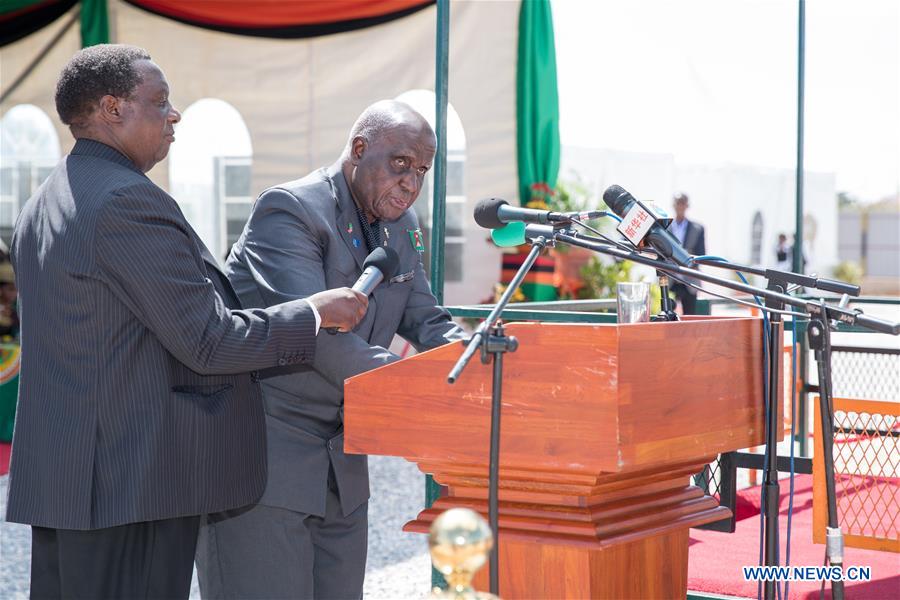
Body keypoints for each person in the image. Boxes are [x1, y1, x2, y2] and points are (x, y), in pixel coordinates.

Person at [6, 44, 368, 599]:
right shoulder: (127, 202)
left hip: (73, 479)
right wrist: (312, 314)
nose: (174, 115)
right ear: (112, 108)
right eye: (160, 102)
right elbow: (208, 340)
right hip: (133, 484)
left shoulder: (46, 201)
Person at [196, 100, 466, 599]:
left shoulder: (402, 228)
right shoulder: (289, 210)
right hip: (264, 461)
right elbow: (316, 337)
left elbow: (427, 320)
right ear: (359, 149)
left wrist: (478, 360)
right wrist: (420, 394)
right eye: (400, 163)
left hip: (342, 466)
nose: (411, 182)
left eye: (422, 170)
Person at [668, 193, 706, 314]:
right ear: (673, 205)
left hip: (690, 281)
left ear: (687, 205)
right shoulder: (665, 227)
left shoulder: (697, 228)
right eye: (677, 203)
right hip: (670, 279)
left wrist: (685, 263)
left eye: (682, 203)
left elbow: (701, 254)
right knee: (668, 316)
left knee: (690, 316)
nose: (680, 206)